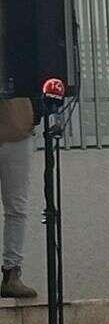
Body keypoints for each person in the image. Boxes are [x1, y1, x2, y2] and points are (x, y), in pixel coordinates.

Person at [0, 97, 37, 299]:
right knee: (16, 209)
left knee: (16, 208)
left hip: (17, 131)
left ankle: (11, 272)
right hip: (18, 129)